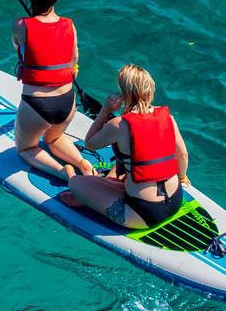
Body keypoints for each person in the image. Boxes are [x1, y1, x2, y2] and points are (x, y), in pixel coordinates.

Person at [59, 64, 195, 232]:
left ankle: (90, 200)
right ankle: (97, 192)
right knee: (125, 165)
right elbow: (183, 155)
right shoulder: (167, 117)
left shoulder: (119, 125)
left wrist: (106, 109)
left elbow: (90, 143)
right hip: (175, 199)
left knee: (75, 184)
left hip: (143, 213)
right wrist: (182, 177)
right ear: (150, 90)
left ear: (124, 94)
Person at [11, 0, 94, 182]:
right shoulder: (69, 25)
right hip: (67, 102)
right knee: (54, 137)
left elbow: (17, 47)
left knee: (26, 147)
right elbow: (74, 59)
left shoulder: (21, 25)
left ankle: (60, 172)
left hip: (36, 105)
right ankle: (82, 163)